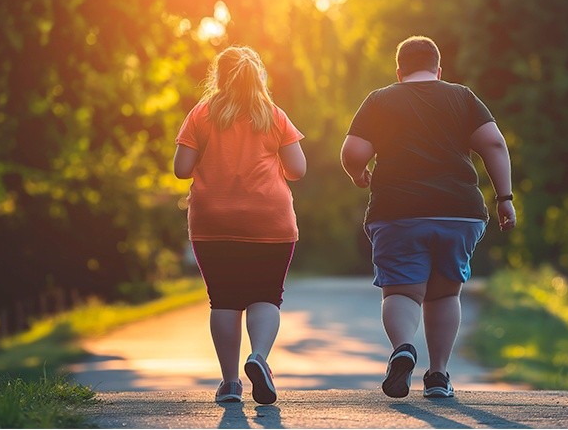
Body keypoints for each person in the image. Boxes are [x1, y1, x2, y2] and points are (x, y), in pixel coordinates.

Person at [340, 35, 516, 399]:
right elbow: (495, 144)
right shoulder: (462, 96)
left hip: (398, 211)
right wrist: (505, 198)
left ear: (399, 70)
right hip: (459, 211)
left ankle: (404, 347)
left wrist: (359, 174)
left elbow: (353, 151)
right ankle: (438, 376)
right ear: (438, 69)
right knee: (444, 293)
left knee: (402, 290)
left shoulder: (381, 99)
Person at [174, 45, 306, 405]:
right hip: (270, 221)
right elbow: (298, 169)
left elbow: (181, 168)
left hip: (213, 222)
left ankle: (230, 383)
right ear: (257, 75)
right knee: (266, 295)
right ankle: (258, 358)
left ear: (218, 77)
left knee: (224, 301)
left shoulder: (201, 115)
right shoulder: (273, 115)